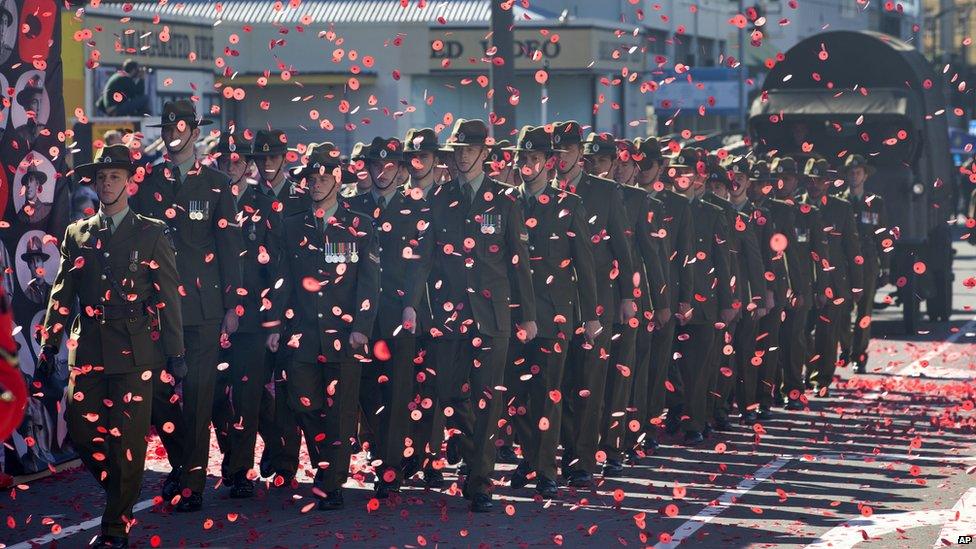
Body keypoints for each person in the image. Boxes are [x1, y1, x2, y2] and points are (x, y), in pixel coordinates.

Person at [38, 143, 184, 549]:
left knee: (130, 440)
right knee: (83, 432)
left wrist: (176, 353)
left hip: (136, 352)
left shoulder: (152, 232)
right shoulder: (77, 232)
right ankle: (122, 489)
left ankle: (115, 525)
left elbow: (168, 296)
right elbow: (62, 293)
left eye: (114, 177)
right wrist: (50, 344)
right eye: (101, 177)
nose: (106, 184)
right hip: (87, 350)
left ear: (129, 183)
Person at [404, 118, 536, 512]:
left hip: (492, 317)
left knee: (487, 400)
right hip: (449, 317)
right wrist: (412, 303)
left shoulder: (506, 199)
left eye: (468, 149)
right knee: (448, 392)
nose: (461, 155)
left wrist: (527, 315)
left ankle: (480, 482)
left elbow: (519, 263)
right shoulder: (440, 198)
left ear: (485, 154)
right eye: (457, 149)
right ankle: (465, 451)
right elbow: (423, 259)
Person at [129, 99, 243, 512]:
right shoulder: (147, 182)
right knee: (159, 394)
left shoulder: (216, 183)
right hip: (156, 308)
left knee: (197, 394)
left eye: (181, 127)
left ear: (195, 133)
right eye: (167, 127)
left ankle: (192, 484)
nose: (173, 134)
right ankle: (183, 462)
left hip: (203, 308)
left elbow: (231, 248)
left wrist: (233, 304)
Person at [265, 142, 380, 511]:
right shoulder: (292, 224)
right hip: (302, 332)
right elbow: (282, 279)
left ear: (337, 179)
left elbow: (369, 280)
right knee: (304, 402)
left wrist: (362, 325)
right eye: (310, 178)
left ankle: (332, 483)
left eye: (321, 177)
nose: (314, 184)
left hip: (345, 335)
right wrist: (274, 324)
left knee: (342, 410)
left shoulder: (360, 223)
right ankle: (325, 463)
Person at [503, 125, 599, 497]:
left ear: (548, 162)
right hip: (512, 314)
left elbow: (585, 265)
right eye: (522, 158)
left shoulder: (568, 204)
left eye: (535, 158)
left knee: (547, 392)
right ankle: (531, 458)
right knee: (516, 396)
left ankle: (545, 469)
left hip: (553, 314)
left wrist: (590, 315)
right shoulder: (506, 201)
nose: (528, 165)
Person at [346, 134, 431, 498]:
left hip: (399, 313)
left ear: (401, 168)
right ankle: (381, 452)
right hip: (361, 317)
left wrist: (412, 302)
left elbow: (420, 262)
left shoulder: (417, 208)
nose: (382, 172)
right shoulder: (352, 206)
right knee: (365, 388)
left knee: (398, 390)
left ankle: (390, 467)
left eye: (390, 165)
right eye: (375, 165)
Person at [551, 120, 634, 486]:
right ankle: (566, 451)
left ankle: (582, 459)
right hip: (553, 305)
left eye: (567, 150)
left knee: (589, 384)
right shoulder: (541, 193)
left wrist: (628, 297)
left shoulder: (604, 192)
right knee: (560, 384)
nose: (560, 158)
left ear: (580, 154)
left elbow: (624, 250)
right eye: (554, 152)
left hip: (598, 301)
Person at [582, 131, 668, 477]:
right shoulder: (577, 193)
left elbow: (649, 255)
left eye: (612, 162)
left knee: (620, 377)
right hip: (589, 300)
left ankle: (614, 445)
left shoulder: (638, 201)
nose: (608, 168)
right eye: (599, 161)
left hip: (624, 301)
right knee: (588, 378)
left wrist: (658, 301)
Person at [246, 129, 307, 483]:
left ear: (284, 159)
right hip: (253, 308)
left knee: (286, 388)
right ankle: (273, 443)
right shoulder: (242, 200)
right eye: (260, 158)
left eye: (273, 157)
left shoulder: (300, 200)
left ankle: (285, 462)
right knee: (250, 388)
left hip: (293, 308)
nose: (267, 164)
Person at [665, 148, 733, 445]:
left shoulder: (714, 213)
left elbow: (724, 261)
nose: (684, 177)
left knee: (698, 367)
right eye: (679, 171)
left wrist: (728, 301)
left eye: (690, 172)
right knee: (670, 364)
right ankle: (677, 410)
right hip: (670, 298)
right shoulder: (665, 207)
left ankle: (695, 420)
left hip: (704, 302)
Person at [630, 137, 693, 452]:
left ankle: (649, 425)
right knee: (631, 367)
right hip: (629, 295)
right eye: (636, 164)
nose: (641, 171)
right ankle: (630, 426)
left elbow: (685, 254)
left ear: (662, 167)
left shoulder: (677, 205)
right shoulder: (622, 197)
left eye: (648, 165)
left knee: (657, 367)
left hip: (664, 296)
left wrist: (682, 299)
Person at [703, 156, 769, 430]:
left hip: (738, 295)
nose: (719, 191)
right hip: (712, 296)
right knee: (720, 356)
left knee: (741, 353)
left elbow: (755, 260)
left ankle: (746, 405)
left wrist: (761, 297)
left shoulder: (740, 218)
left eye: (722, 187)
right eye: (714, 186)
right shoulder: (705, 214)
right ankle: (718, 407)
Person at [399, 128, 444, 486]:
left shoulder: (447, 199)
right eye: (413, 157)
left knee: (434, 386)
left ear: (435, 161)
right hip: (402, 305)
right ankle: (407, 454)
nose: (418, 164)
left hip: (441, 306)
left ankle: (431, 458)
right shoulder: (397, 200)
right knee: (403, 385)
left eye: (424, 157)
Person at [770, 156, 827, 410]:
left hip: (800, 288)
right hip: (771, 287)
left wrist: (820, 288)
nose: (784, 183)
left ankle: (793, 389)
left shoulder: (808, 214)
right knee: (772, 340)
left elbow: (819, 255)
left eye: (789, 178)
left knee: (795, 340)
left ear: (797, 181)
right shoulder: (764, 211)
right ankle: (771, 390)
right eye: (779, 178)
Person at [800, 158, 861, 395]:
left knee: (827, 334)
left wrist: (857, 285)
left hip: (834, 283)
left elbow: (853, 250)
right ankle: (807, 370)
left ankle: (821, 379)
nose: (814, 185)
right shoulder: (794, 207)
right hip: (803, 282)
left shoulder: (841, 208)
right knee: (800, 332)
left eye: (819, 180)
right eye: (810, 180)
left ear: (828, 183)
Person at [745, 159, 791, 421]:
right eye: (756, 182)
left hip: (771, 288)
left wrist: (771, 290)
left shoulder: (777, 212)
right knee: (747, 349)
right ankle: (747, 399)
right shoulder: (739, 210)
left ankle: (764, 400)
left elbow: (775, 255)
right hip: (748, 289)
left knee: (769, 347)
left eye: (765, 183)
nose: (761, 187)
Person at [838, 154, 889, 374]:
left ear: (865, 175)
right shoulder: (838, 202)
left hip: (867, 262)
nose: (854, 175)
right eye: (851, 172)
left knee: (864, 312)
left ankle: (859, 355)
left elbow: (883, 236)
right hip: (843, 263)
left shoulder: (876, 203)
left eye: (858, 172)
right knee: (841, 309)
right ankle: (846, 347)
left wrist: (885, 266)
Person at [14, 77, 47, 145]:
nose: (39, 108)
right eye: (34, 102)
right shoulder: (21, 133)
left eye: (42, 102)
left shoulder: (54, 129)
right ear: (26, 107)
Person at [21, 235, 52, 304]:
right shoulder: (26, 295)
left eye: (38, 260)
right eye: (32, 262)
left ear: (42, 262)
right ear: (28, 265)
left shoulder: (53, 290)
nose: (36, 265)